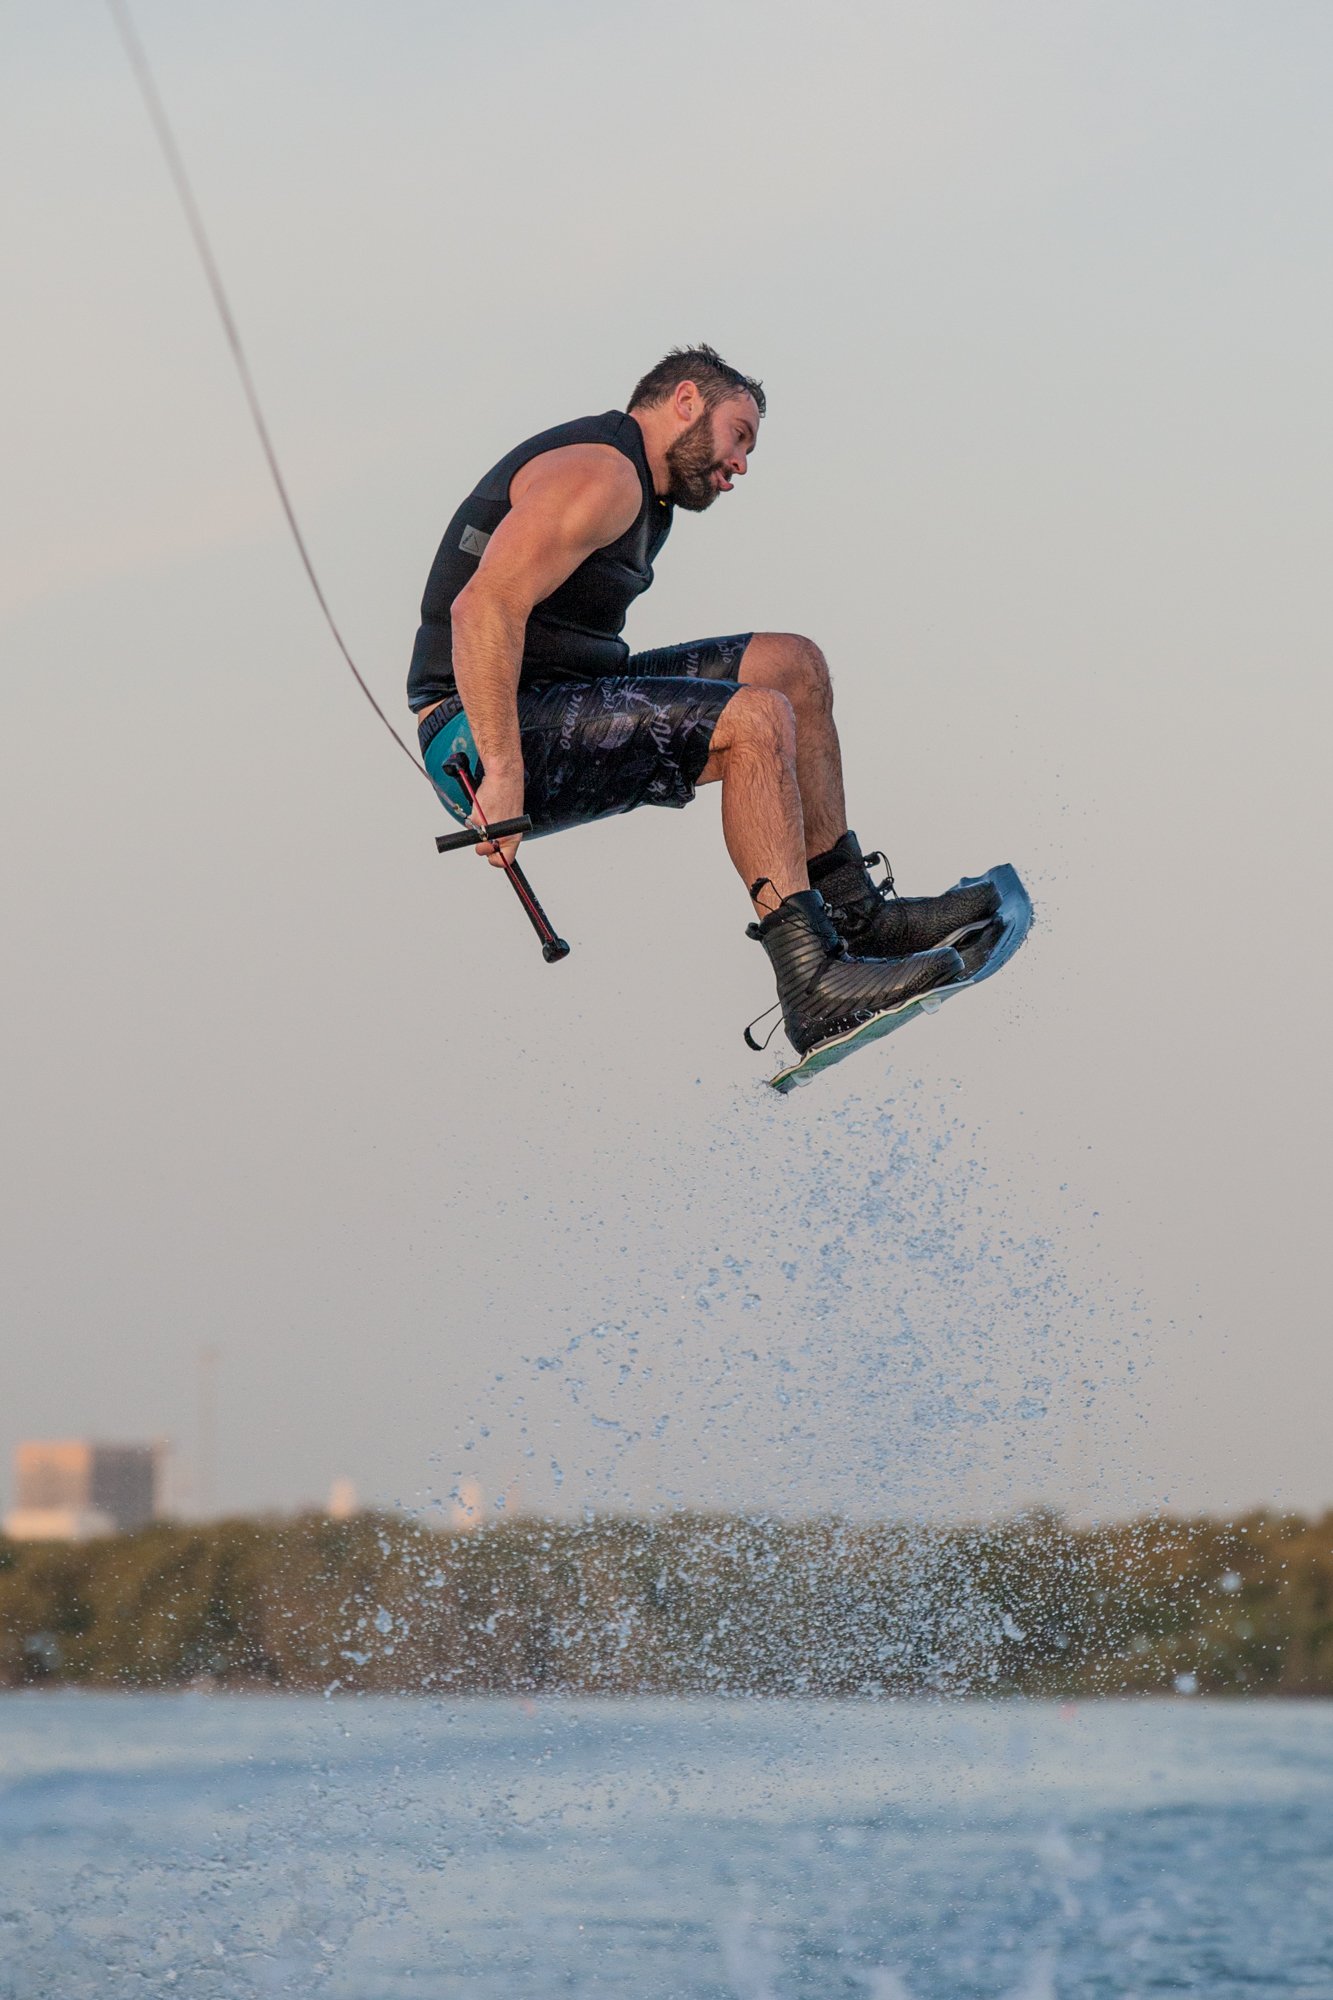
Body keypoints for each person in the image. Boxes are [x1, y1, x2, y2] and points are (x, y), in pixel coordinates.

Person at [407, 346, 997, 1057]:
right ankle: (810, 984)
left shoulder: (640, 487)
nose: (741, 464)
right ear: (685, 402)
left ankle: (854, 916)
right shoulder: (603, 475)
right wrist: (501, 770)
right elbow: (482, 609)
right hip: (477, 732)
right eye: (738, 435)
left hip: (559, 698)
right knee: (753, 717)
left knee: (791, 667)